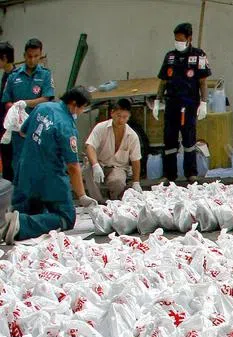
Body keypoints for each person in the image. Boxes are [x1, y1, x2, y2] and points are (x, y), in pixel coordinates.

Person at [0, 89, 96, 244]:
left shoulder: (42, 107)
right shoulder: (66, 126)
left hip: (24, 172)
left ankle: (10, 221)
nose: (82, 111)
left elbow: (23, 132)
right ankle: (20, 224)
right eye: (82, 108)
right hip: (49, 177)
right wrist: (82, 195)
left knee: (30, 211)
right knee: (66, 217)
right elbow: (73, 166)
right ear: (74, 104)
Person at [155, 24, 210, 182]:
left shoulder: (199, 56)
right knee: (169, 139)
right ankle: (169, 174)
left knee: (189, 139)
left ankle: (191, 173)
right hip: (172, 104)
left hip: (189, 105)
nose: (177, 42)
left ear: (189, 39)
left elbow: (203, 82)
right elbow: (163, 81)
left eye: (180, 39)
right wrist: (158, 100)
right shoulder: (170, 56)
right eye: (175, 39)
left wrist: (204, 103)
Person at [1, 38, 54, 182]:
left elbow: (47, 98)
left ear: (40, 55)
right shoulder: (14, 76)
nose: (32, 60)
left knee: (40, 162)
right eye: (29, 56)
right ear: (24, 55)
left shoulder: (45, 75)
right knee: (19, 163)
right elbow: (6, 100)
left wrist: (25, 103)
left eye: (36, 56)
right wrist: (15, 109)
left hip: (39, 126)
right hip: (19, 129)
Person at [83, 98, 142, 202]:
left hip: (118, 168)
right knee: (88, 169)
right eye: (118, 116)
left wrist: (136, 182)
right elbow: (89, 146)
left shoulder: (132, 135)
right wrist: (95, 165)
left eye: (125, 117)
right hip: (100, 163)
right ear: (112, 113)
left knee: (118, 181)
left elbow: (135, 160)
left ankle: (115, 201)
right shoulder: (101, 127)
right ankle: (97, 202)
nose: (121, 120)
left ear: (129, 117)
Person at [0, 42, 16, 182]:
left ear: (4, 58)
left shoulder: (14, 77)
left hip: (11, 126)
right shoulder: (5, 75)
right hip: (3, 124)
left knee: (10, 161)